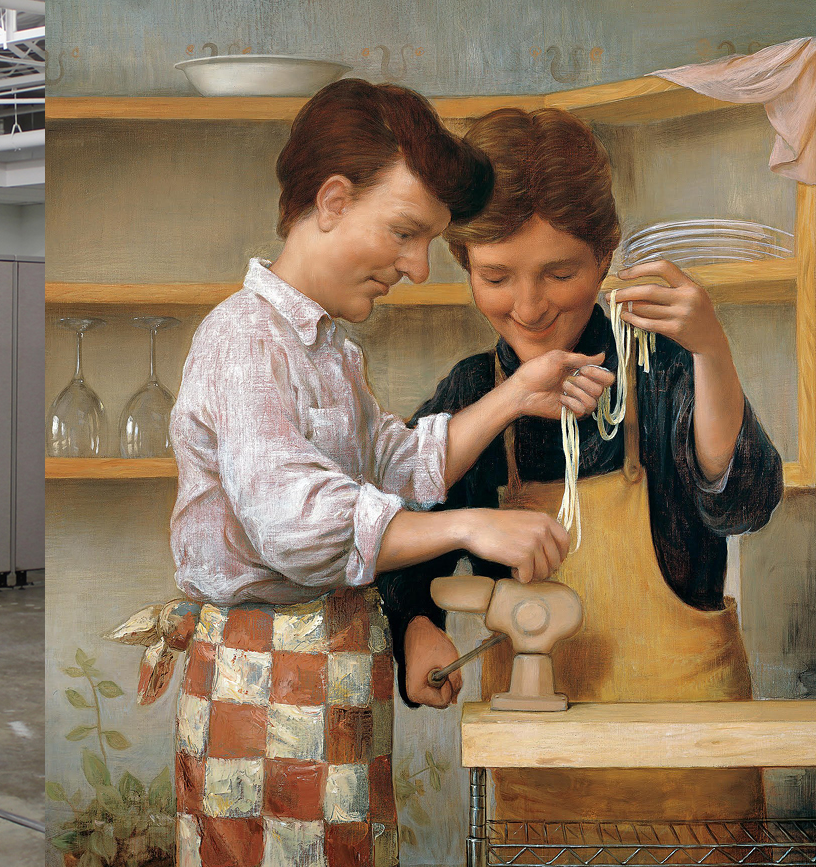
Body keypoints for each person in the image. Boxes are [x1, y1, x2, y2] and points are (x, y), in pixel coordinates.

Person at [159, 80, 614, 867]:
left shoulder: (330, 350)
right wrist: (471, 522)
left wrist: (511, 395)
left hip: (335, 675)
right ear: (331, 200)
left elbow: (403, 465)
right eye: (407, 233)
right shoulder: (243, 341)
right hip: (257, 683)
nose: (419, 267)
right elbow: (299, 524)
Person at [377, 106, 783, 821]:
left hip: (692, 766)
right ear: (464, 263)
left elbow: (743, 504)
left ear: (605, 255)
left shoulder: (660, 364)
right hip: (543, 777)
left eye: (558, 272)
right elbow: (396, 528)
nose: (529, 306)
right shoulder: (472, 394)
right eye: (497, 276)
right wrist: (413, 624)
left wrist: (713, 351)